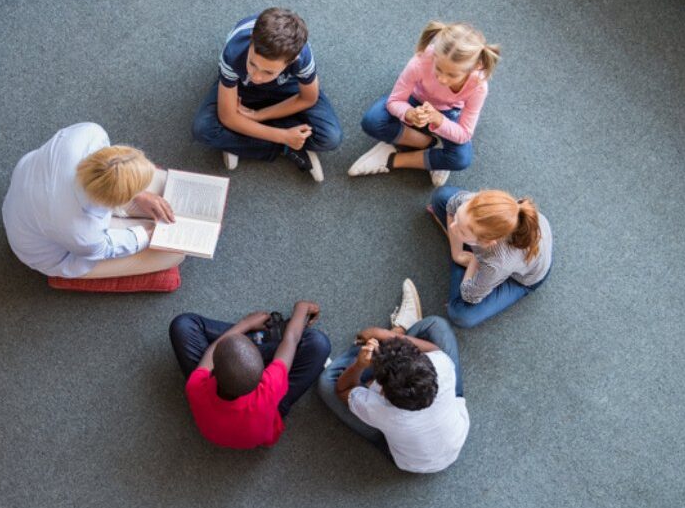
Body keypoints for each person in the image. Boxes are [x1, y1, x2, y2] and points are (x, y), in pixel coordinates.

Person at [317, 279, 469, 473]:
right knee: (435, 326)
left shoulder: (380, 410)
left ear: (382, 392)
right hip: (454, 440)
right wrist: (381, 334)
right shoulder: (441, 366)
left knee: (327, 383)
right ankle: (393, 335)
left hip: (409, 461)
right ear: (426, 364)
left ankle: (384, 341)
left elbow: (342, 389)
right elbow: (434, 350)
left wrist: (359, 365)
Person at [1, 122, 185, 278]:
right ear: (115, 200)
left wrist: (140, 194)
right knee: (173, 256)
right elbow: (106, 247)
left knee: (163, 188)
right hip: (54, 249)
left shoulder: (89, 134)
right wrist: (147, 236)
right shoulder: (82, 234)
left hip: (33, 193)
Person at [191, 7, 342, 182]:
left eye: (268, 72)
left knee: (330, 137)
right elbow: (227, 117)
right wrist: (284, 137)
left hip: (287, 85)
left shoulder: (302, 56)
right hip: (242, 87)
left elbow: (309, 98)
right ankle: (287, 148)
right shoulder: (233, 52)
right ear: (251, 43)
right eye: (253, 64)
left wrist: (257, 116)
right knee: (202, 129)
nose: (256, 76)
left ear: (292, 61)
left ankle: (240, 139)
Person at [348, 21, 500, 187]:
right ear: (434, 54)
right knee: (372, 121)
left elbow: (464, 134)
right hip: (415, 99)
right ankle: (431, 145)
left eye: (452, 75)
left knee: (461, 159)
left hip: (449, 112)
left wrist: (438, 120)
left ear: (475, 67)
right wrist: (409, 113)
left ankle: (392, 159)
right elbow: (395, 100)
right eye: (439, 69)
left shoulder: (478, 86)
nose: (442, 79)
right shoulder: (421, 61)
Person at [168, 301, 332, 449]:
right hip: (269, 409)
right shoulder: (269, 387)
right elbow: (291, 339)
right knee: (318, 343)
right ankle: (261, 341)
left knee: (183, 324)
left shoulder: (196, 386)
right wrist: (302, 308)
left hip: (220, 420)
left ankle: (253, 340)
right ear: (262, 375)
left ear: (213, 371)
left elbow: (213, 351)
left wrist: (245, 323)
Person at [427, 186, 553, 328]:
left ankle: (472, 260)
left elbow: (469, 295)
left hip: (524, 278)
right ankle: (468, 250)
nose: (453, 227)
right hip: (500, 254)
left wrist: (475, 260)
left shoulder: (496, 263)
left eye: (461, 231)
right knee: (441, 196)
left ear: (487, 243)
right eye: (457, 219)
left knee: (460, 314)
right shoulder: (469, 201)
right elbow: (451, 206)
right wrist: (457, 254)